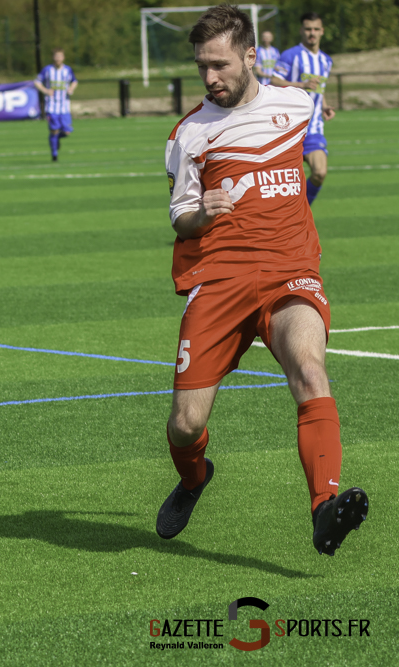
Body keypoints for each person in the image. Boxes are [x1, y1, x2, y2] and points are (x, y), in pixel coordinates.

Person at [158, 5, 367, 556]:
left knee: (309, 368)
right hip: (221, 280)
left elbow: (315, 136)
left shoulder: (296, 104)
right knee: (184, 422)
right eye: (202, 66)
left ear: (251, 57)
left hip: (289, 272)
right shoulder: (190, 134)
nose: (210, 78)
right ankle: (194, 478)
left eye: (220, 65)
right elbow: (179, 217)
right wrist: (202, 213)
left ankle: (325, 508)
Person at [271, 13, 334, 206]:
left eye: (316, 29)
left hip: (313, 127)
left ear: (322, 31)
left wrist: (324, 106)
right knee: (279, 183)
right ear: (301, 31)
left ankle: (301, 210)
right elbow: (273, 81)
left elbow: (319, 89)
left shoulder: (326, 60)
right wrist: (300, 84)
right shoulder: (290, 55)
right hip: (288, 128)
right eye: (308, 29)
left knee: (320, 173)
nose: (312, 33)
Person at [33, 49, 78, 162]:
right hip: (51, 105)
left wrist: (71, 88)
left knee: (67, 131)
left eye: (60, 56)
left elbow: (74, 81)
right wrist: (45, 90)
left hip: (64, 106)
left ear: (63, 57)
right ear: (53, 57)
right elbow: (36, 82)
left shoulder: (68, 70)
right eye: (56, 56)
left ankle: (55, 139)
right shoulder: (47, 70)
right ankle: (54, 154)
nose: (58, 59)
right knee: (54, 130)